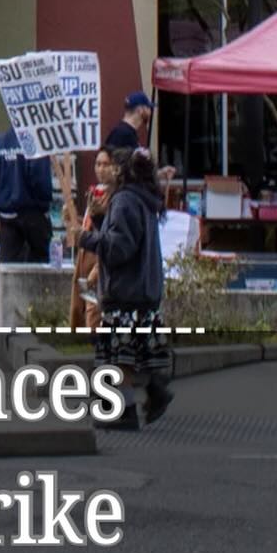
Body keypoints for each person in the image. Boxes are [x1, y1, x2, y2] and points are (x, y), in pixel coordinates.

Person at [78, 147, 173, 427]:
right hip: (143, 290)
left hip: (127, 291)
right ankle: (154, 389)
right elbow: (123, 235)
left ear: (121, 171)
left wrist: (85, 238)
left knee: (122, 356)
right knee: (134, 350)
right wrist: (98, 221)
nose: (103, 170)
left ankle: (125, 409)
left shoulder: (124, 201)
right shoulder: (143, 199)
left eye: (109, 165)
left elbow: (119, 247)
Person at [0, 126, 54, 264]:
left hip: (7, 214)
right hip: (32, 212)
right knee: (40, 264)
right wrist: (45, 202)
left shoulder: (0, 141)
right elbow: (39, 177)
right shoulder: (35, 139)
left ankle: (7, 287)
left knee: (7, 265)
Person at [69, 146, 116, 329]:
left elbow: (108, 228)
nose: (101, 169)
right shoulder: (94, 190)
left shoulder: (116, 195)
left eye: (106, 164)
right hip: (84, 253)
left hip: (99, 254)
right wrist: (74, 217)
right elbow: (88, 224)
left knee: (93, 306)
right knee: (78, 304)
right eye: (98, 164)